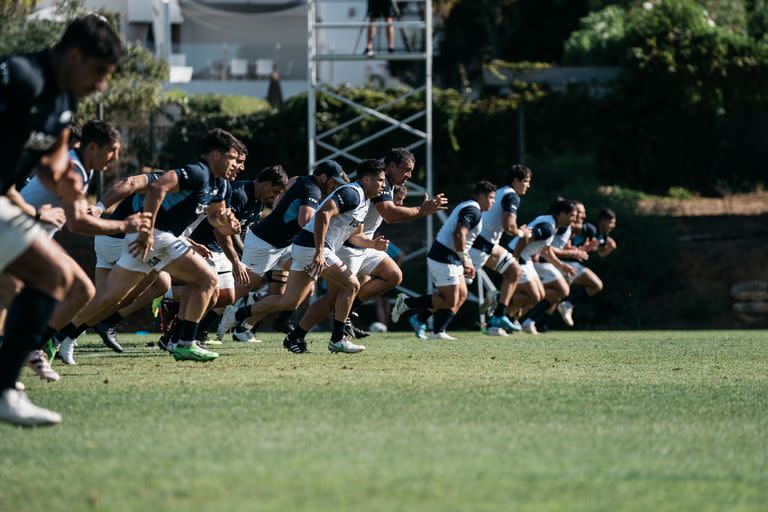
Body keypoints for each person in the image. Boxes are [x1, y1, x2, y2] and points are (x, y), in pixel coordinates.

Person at [0, 14, 124, 426]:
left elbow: (50, 160)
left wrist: (66, 181)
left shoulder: (64, 100)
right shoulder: (17, 75)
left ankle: (3, 390)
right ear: (73, 55)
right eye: (100, 72)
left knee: (54, 278)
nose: (101, 85)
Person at [53, 129, 242, 363]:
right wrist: (146, 230)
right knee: (207, 279)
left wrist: (228, 225)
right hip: (156, 236)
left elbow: (215, 218)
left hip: (154, 239)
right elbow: (156, 187)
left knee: (112, 298)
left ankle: (60, 336)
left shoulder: (220, 186)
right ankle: (184, 343)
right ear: (215, 155)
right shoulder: (197, 172)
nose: (236, 164)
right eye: (233, 158)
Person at [218, 160, 387, 354]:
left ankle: (240, 315)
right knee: (351, 285)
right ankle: (338, 339)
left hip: (303, 246)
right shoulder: (352, 193)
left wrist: (373, 244)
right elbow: (322, 214)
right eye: (381, 180)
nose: (384, 184)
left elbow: (355, 236)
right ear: (366, 179)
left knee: (289, 302)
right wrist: (319, 251)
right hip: (310, 247)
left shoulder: (364, 201)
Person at [20, 120, 151, 364]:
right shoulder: (73, 168)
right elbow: (77, 224)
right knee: (76, 291)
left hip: (29, 239)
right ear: (92, 147)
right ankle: (30, 350)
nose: (115, 157)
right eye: (112, 150)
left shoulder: (83, 167)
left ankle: (31, 349)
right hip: (18, 238)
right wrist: (125, 225)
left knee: (76, 292)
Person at [221, 160, 348, 341]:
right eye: (333, 181)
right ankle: (198, 327)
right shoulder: (314, 190)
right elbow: (305, 221)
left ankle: (247, 325)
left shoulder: (300, 179)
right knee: (239, 289)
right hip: (265, 243)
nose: (334, 185)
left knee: (299, 288)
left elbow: (285, 191)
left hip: (285, 245)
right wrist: (322, 235)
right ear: (323, 177)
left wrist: (277, 211)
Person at [185, 164, 288, 344]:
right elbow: (219, 229)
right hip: (204, 247)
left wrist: (242, 256)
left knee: (229, 294)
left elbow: (238, 233)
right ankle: (174, 314)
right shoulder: (239, 194)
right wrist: (236, 260)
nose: (276, 197)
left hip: (219, 250)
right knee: (211, 291)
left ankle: (196, 330)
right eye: (276, 191)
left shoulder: (257, 202)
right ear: (267, 184)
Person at [391, 181, 497, 340]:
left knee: (461, 295)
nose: (493, 201)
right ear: (481, 196)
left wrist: (465, 260)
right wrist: (466, 260)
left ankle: (433, 328)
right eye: (491, 197)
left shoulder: (473, 209)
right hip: (443, 256)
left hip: (452, 257)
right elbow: (459, 235)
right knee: (449, 299)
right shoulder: (473, 210)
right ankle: (407, 302)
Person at [470, 164, 532, 336]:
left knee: (514, 271)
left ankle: (497, 319)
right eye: (526, 181)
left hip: (485, 243)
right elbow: (509, 226)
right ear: (516, 181)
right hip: (479, 244)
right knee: (454, 294)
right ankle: (413, 307)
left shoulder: (502, 191)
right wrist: (522, 233)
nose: (528, 185)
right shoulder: (512, 196)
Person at [507, 198, 578, 334]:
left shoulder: (552, 224)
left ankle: (507, 314)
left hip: (524, 257)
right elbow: (525, 238)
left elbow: (546, 250)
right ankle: (500, 299)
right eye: (572, 216)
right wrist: (515, 259)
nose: (573, 220)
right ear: (562, 214)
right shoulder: (548, 227)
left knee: (539, 296)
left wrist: (562, 266)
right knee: (534, 296)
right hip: (518, 256)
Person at [557, 207, 618, 324]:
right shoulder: (590, 228)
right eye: (611, 222)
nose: (613, 226)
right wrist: (572, 246)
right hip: (565, 261)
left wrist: (608, 249)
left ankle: (534, 323)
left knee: (555, 297)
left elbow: (601, 253)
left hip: (570, 263)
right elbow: (572, 227)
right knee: (596, 284)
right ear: (603, 221)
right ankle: (567, 304)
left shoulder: (603, 236)